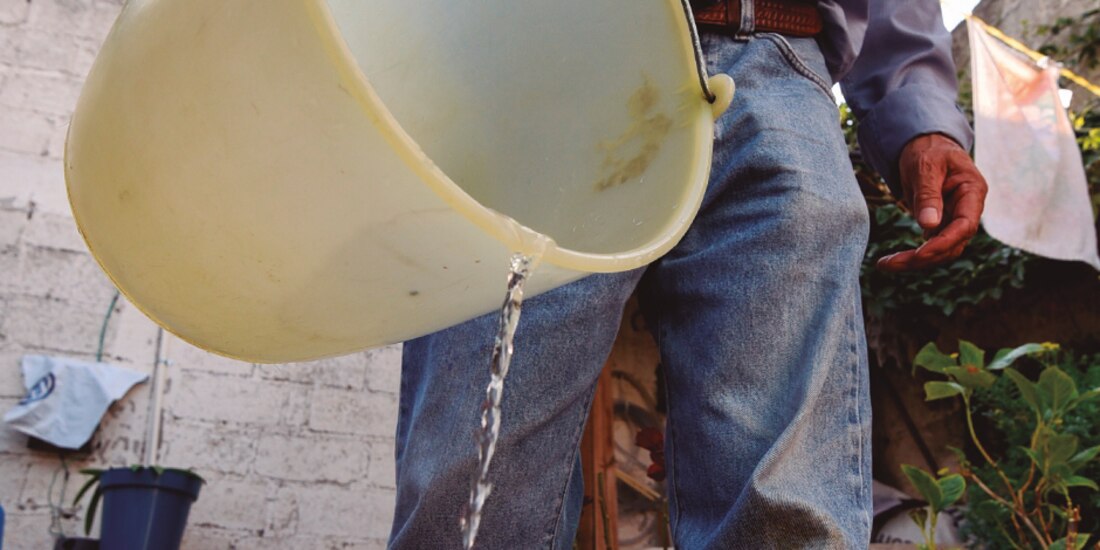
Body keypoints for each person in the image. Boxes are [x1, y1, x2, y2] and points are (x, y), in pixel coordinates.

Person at [389, 0, 988, 547]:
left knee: (784, 516)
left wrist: (919, 110)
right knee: (474, 496)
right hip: (551, 49)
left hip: (780, 60)